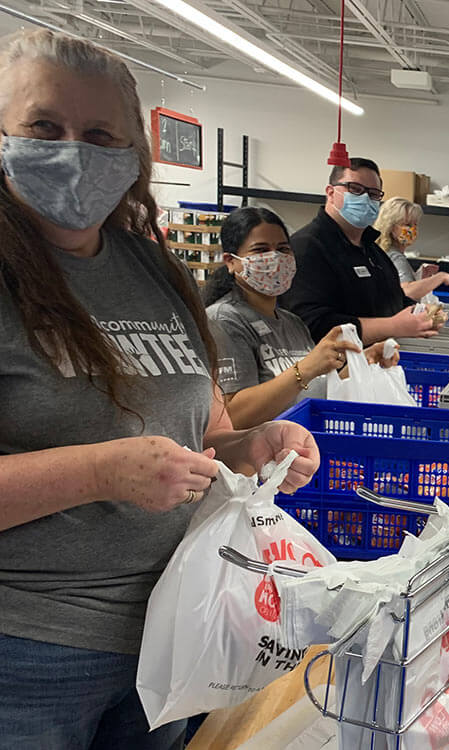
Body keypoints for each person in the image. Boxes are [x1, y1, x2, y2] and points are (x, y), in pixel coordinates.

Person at [0, 30, 319, 748]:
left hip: (173, 632)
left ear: (133, 155)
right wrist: (100, 470)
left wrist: (252, 446)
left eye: (100, 134)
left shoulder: (153, 272)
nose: (73, 149)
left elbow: (203, 434)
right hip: (25, 652)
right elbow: (121, 463)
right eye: (44, 127)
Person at [205, 207, 399, 429]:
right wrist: (305, 369)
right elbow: (232, 416)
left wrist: (361, 362)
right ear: (231, 261)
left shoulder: (292, 323)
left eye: (283, 249)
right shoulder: (224, 321)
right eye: (261, 250)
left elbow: (313, 389)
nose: (275, 258)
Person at [279, 158, 437, 345]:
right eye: (355, 189)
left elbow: (394, 299)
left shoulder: (371, 249)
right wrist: (392, 326)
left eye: (373, 194)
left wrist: (420, 314)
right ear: (330, 193)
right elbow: (311, 326)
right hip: (335, 369)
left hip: (376, 363)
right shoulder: (307, 248)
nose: (365, 198)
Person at [375, 197, 449, 300]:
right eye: (407, 225)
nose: (412, 229)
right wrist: (440, 277)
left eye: (415, 224)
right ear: (390, 226)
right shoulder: (395, 256)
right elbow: (407, 293)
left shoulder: (380, 250)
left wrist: (419, 278)